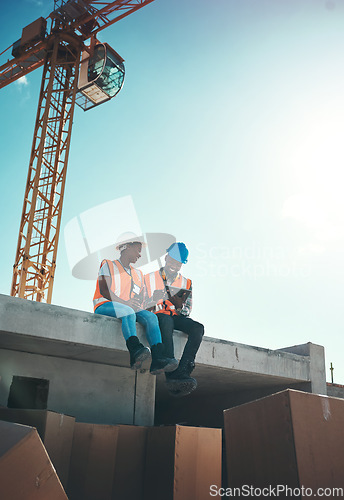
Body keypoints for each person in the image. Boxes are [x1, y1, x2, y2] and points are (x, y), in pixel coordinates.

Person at [93, 232, 178, 375]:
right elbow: (104, 290)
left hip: (128, 308)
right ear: (127, 247)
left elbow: (140, 300)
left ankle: (158, 360)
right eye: (138, 250)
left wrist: (153, 299)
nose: (140, 255)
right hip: (105, 305)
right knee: (128, 312)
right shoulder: (108, 264)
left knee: (151, 318)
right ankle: (135, 350)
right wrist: (126, 303)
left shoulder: (138, 274)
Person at [144, 242, 204, 396]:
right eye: (172, 261)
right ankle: (169, 366)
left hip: (176, 316)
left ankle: (184, 369)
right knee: (165, 320)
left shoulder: (186, 283)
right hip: (157, 316)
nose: (174, 265)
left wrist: (178, 306)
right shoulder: (149, 278)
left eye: (178, 263)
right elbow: (141, 307)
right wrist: (155, 302)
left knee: (198, 328)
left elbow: (187, 310)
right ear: (166, 258)